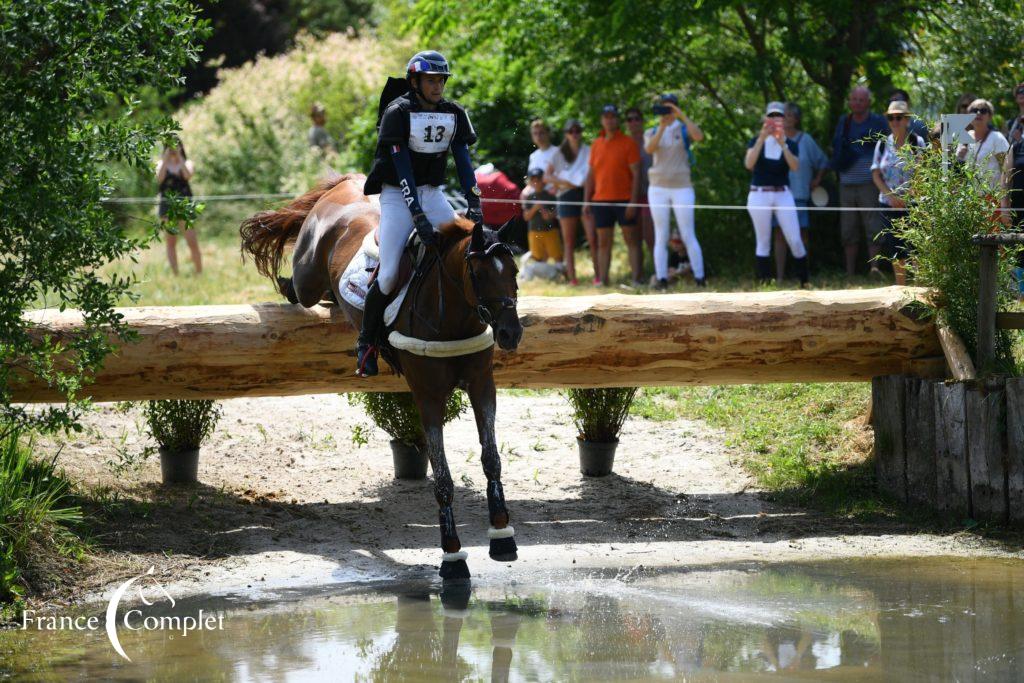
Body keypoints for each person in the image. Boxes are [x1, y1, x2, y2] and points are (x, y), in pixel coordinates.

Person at [357, 50, 482, 377]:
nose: (438, 85)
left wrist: (474, 200)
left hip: (433, 193)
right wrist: (418, 216)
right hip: (398, 196)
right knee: (387, 274)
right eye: (431, 79)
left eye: (441, 79)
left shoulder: (453, 113)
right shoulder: (398, 113)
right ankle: (366, 343)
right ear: (415, 81)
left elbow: (463, 159)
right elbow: (402, 170)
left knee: (465, 251)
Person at [643, 93, 705, 289]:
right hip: (658, 188)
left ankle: (700, 278)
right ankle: (661, 279)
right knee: (661, 234)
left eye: (670, 108)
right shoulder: (651, 131)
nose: (667, 112)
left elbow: (699, 136)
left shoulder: (685, 129)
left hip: (682, 187)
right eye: (664, 108)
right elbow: (650, 149)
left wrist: (682, 116)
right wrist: (662, 126)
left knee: (688, 233)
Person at [745, 102, 807, 286]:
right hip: (759, 194)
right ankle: (764, 283)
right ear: (766, 119)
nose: (774, 120)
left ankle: (804, 282)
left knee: (795, 239)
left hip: (783, 194)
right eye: (771, 116)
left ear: (784, 119)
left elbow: (795, 167)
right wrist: (761, 138)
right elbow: (749, 164)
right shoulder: (756, 140)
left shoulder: (791, 143)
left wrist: (782, 143)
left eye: (778, 116)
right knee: (763, 241)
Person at [832, 86, 890, 278]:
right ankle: (849, 273)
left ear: (868, 102)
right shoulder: (844, 121)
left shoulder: (878, 121)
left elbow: (888, 146)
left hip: (870, 183)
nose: (857, 103)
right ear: (849, 101)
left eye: (861, 100)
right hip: (846, 182)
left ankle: (875, 269)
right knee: (848, 228)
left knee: (873, 226)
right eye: (854, 99)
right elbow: (837, 147)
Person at [584, 104, 642, 286]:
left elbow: (637, 175)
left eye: (613, 117)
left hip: (624, 199)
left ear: (617, 120)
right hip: (601, 200)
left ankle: (636, 280)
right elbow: (591, 175)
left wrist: (633, 202)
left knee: (631, 240)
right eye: (606, 117)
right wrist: (586, 201)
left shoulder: (628, 143)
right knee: (603, 242)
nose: (609, 120)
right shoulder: (596, 144)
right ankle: (603, 280)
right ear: (602, 120)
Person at [871, 100, 926, 286]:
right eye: (891, 117)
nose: (894, 121)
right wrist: (890, 196)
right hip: (888, 204)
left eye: (898, 117)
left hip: (913, 203)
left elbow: (922, 171)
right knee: (895, 246)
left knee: (915, 245)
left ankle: (919, 287)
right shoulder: (882, 144)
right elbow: (876, 173)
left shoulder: (917, 141)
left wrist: (909, 195)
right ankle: (901, 287)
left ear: (906, 119)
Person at [772, 102, 828, 283]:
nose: (784, 118)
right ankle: (779, 277)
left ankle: (803, 276)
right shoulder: (773, 139)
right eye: (782, 115)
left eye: (788, 115)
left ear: (796, 119)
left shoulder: (806, 140)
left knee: (802, 236)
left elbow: (822, 161)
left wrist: (817, 179)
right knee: (779, 234)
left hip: (800, 196)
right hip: (778, 195)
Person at [546, 119, 594, 285]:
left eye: (577, 130)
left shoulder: (588, 151)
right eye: (571, 131)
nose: (574, 134)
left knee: (592, 237)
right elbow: (547, 177)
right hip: (566, 196)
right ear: (566, 133)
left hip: (585, 194)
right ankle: (572, 278)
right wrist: (565, 183)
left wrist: (586, 199)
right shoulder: (559, 153)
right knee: (569, 240)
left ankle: (599, 277)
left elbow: (589, 176)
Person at [156, 141, 201, 276]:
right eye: (170, 147)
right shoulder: (160, 164)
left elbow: (188, 175)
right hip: (167, 206)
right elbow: (159, 178)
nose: (173, 149)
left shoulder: (188, 163)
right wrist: (165, 160)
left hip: (185, 206)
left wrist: (179, 159)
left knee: (192, 240)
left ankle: (199, 272)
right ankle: (176, 274)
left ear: (181, 147)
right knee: (170, 242)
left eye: (176, 146)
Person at [956, 98, 1010, 195]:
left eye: (983, 111)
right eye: (974, 110)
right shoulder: (965, 137)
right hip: (969, 200)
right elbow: (958, 171)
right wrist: (959, 157)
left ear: (990, 116)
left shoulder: (997, 138)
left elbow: (1007, 171)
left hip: (992, 199)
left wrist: (1004, 198)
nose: (978, 113)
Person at [625, 106, 655, 260]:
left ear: (642, 121)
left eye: (637, 118)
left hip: (651, 194)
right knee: (634, 238)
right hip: (630, 197)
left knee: (651, 236)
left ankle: (659, 272)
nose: (634, 122)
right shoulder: (624, 144)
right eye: (630, 119)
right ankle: (639, 275)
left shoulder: (650, 140)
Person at [521, 168, 562, 264]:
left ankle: (562, 274)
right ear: (530, 182)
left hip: (550, 231)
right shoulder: (529, 198)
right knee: (537, 257)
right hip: (534, 231)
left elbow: (556, 212)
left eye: (538, 180)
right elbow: (526, 217)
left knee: (557, 256)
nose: (536, 183)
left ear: (543, 181)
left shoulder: (550, 196)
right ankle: (542, 275)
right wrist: (534, 209)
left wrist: (549, 215)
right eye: (533, 180)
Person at [1003, 127, 1024, 296]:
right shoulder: (1016, 147)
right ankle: (1020, 299)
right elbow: (1005, 179)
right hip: (1018, 211)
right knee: (1018, 255)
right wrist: (1004, 208)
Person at [528, 119, 559, 193]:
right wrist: (525, 191)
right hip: (535, 196)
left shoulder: (558, 152)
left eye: (541, 133)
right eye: (535, 133)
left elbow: (564, 177)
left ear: (548, 133)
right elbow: (531, 180)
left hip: (552, 196)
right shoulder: (533, 156)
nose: (538, 136)